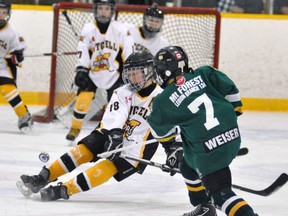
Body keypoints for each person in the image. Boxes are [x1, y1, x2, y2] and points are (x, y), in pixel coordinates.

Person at [17, 50, 165, 201]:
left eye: (136, 73)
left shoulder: (162, 97)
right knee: (85, 148)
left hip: (137, 147)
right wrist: (115, 133)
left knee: (111, 165)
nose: (132, 78)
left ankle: (64, 189)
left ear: (150, 72)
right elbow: (116, 114)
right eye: (130, 73)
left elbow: (173, 125)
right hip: (114, 132)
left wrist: (175, 150)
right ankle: (43, 177)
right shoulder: (122, 91)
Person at [147, 46, 258, 216]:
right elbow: (233, 94)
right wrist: (229, 121)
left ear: (166, 71)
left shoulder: (163, 100)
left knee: (221, 196)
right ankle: (204, 208)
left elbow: (160, 130)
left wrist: (172, 147)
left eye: (159, 70)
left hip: (208, 150)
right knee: (187, 166)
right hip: (233, 136)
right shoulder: (205, 73)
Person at [65, 0, 134, 143]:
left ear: (112, 11)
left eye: (106, 9)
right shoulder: (88, 28)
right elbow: (83, 49)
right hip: (93, 72)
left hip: (114, 73)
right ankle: (75, 127)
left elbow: (128, 50)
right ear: (95, 10)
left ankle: (115, 131)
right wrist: (82, 69)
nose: (103, 11)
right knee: (83, 98)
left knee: (116, 104)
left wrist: (127, 70)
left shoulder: (120, 29)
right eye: (100, 8)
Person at [0, 0, 33, 133]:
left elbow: (21, 49)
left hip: (3, 67)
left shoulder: (12, 32)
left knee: (7, 90)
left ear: (8, 14)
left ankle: (24, 115)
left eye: (3, 13)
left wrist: (18, 55)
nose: (1, 16)